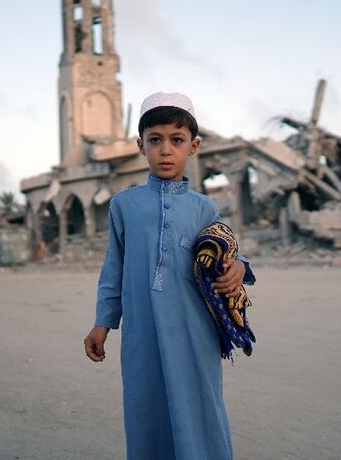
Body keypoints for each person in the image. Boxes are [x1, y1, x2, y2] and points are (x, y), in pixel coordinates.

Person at [83, 91, 255, 460]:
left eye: (176, 141)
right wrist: (103, 322)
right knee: (146, 405)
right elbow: (114, 266)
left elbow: (228, 252)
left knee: (200, 403)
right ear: (140, 145)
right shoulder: (123, 205)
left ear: (192, 147)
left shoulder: (204, 207)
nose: (165, 150)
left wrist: (239, 268)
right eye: (155, 140)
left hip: (195, 330)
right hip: (142, 329)